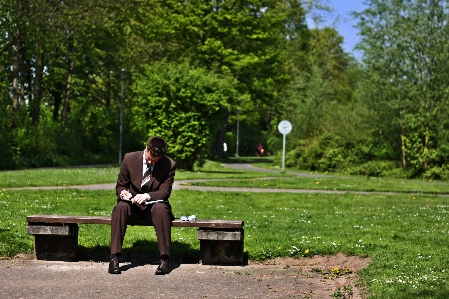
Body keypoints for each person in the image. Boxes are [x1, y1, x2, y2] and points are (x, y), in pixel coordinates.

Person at [109, 136, 176, 275]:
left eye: (155, 161)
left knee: (161, 210)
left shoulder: (169, 165)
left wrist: (148, 196)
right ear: (147, 148)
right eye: (149, 158)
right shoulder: (129, 159)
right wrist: (123, 193)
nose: (151, 162)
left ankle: (165, 259)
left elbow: (164, 192)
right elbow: (121, 185)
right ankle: (114, 258)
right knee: (120, 208)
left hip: (153, 206)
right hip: (132, 205)